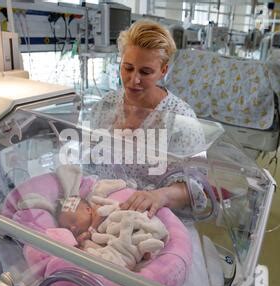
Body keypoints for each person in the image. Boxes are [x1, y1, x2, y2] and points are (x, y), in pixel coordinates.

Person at [81, 19, 208, 220]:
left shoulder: (180, 119)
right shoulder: (106, 105)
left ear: (164, 70)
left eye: (145, 72)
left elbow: (194, 186)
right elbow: (87, 161)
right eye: (128, 68)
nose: (134, 80)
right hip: (100, 210)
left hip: (154, 219)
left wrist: (160, 196)